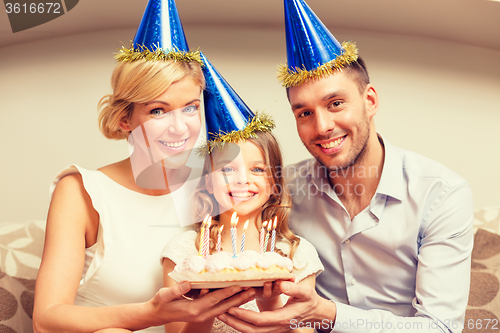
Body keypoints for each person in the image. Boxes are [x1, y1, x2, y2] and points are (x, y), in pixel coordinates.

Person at [218, 1, 474, 333]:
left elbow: (441, 328)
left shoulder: (441, 194)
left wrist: (326, 313)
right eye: (304, 113)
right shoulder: (282, 187)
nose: (322, 126)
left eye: (335, 103)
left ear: (370, 101)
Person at [32, 1, 254, 332]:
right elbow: (46, 320)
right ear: (125, 119)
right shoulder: (81, 191)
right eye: (158, 111)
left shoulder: (214, 185)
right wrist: (152, 313)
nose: (180, 128)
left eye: (190, 108)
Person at [161, 54, 324, 333]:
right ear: (207, 183)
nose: (242, 181)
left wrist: (270, 305)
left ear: (274, 182)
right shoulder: (187, 253)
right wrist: (203, 304)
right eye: (227, 170)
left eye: (258, 169)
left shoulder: (297, 254)